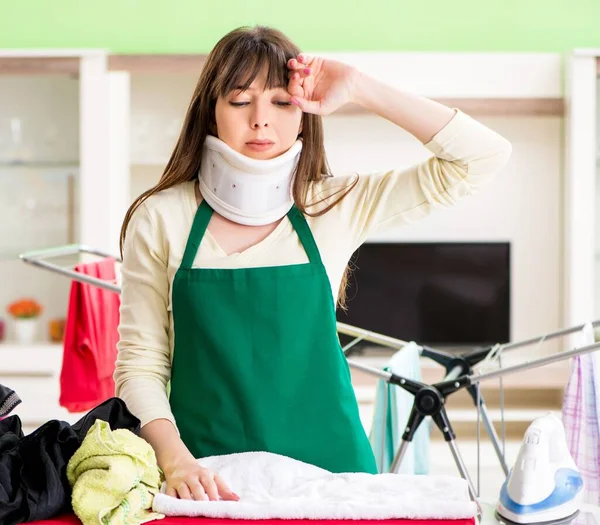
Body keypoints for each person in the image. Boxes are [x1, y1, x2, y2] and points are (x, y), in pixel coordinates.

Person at [115, 25, 511, 504]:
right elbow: (140, 363)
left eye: (282, 102)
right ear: (211, 112)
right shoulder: (161, 217)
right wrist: (174, 458)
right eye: (240, 101)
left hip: (332, 473)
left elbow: (484, 157)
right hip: (205, 474)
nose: (261, 121)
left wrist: (361, 86)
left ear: (304, 115)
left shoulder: (335, 204)